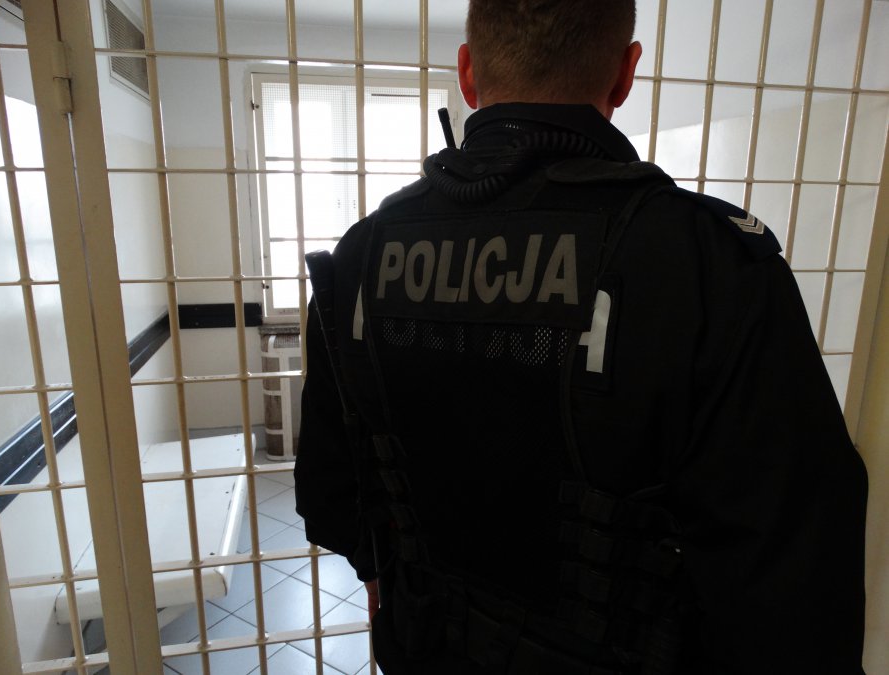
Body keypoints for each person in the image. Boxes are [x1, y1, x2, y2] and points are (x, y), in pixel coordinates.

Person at [294, 1, 868, 673]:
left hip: (426, 644)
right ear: (625, 74)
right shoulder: (706, 263)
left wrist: (388, 574)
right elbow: (795, 577)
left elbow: (332, 491)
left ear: (468, 73)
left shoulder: (364, 252)